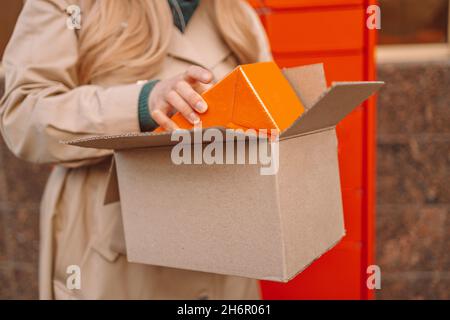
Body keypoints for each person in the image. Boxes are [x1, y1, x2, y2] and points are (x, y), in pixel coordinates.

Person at [0, 0, 271, 299]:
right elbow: (24, 115)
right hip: (115, 260)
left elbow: (268, 112)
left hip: (224, 257)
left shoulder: (237, 15)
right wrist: (143, 104)